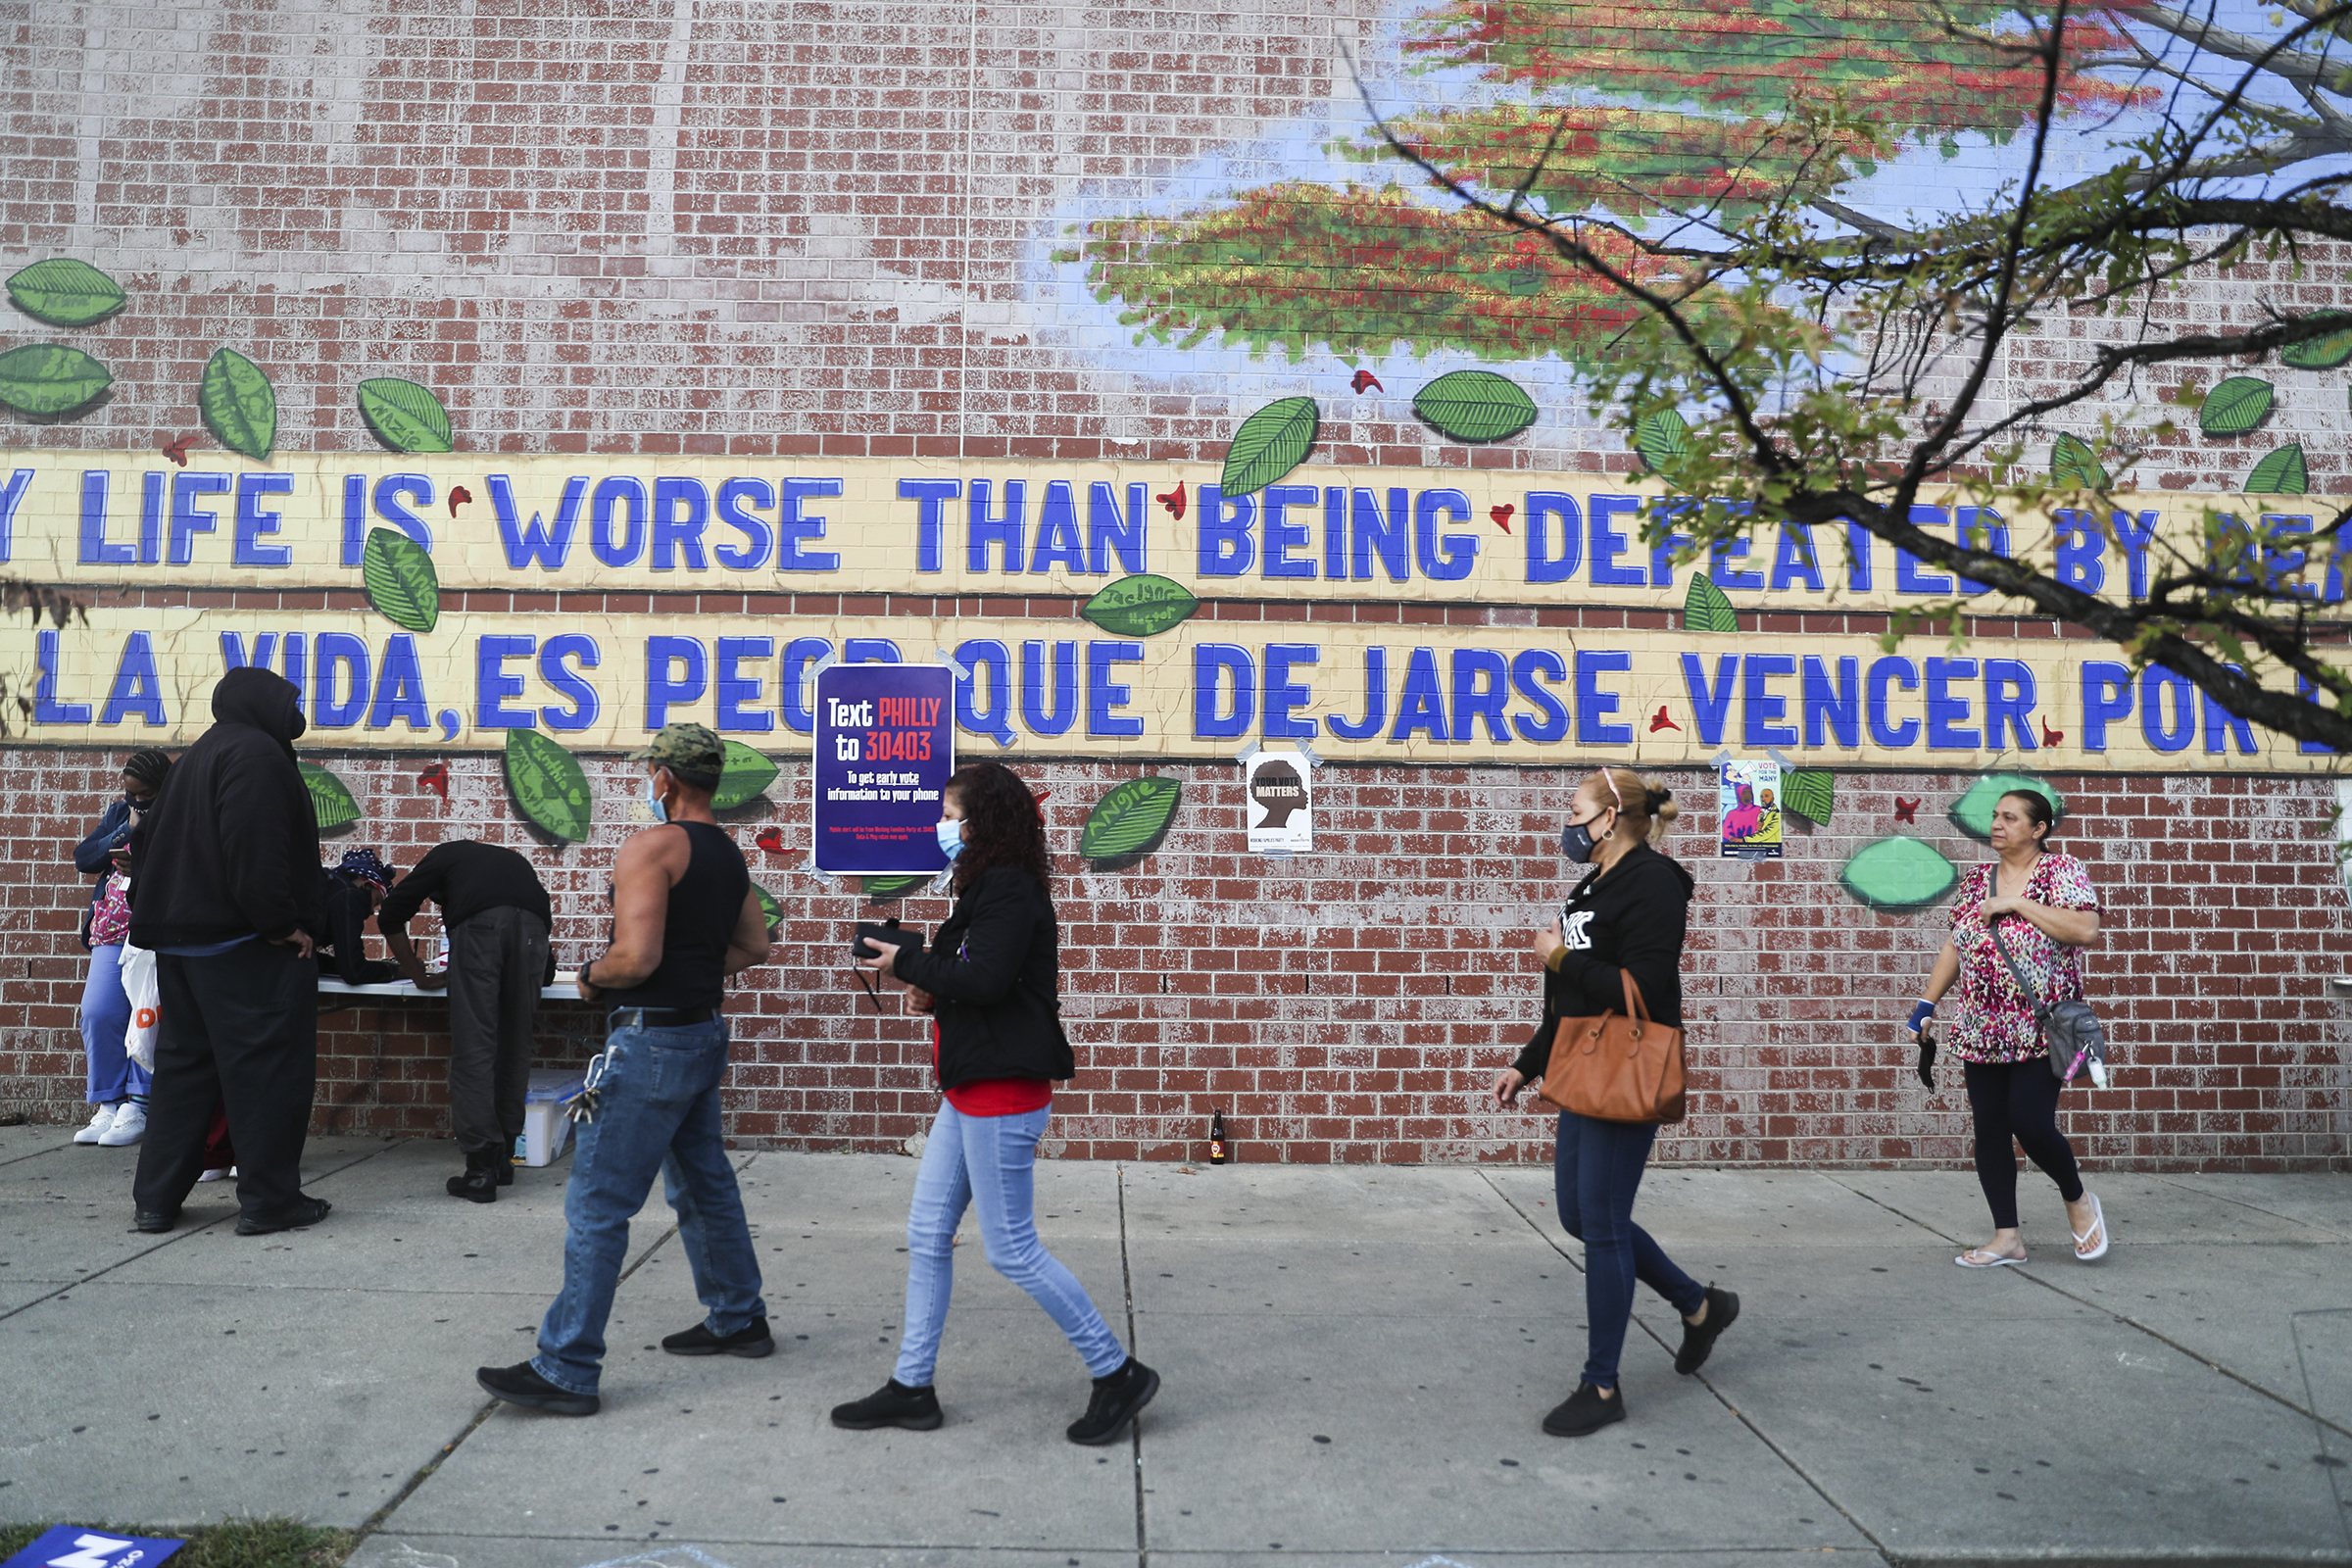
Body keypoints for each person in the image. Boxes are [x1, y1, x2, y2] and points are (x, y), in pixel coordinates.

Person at [835, 760, 1159, 1446]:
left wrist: (905, 967)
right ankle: (912, 1386)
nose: (941, 826)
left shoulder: (1008, 889)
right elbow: (971, 978)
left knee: (1011, 1249)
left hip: (1001, 1091)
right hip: (970, 1086)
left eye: (951, 815)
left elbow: (985, 979)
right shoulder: (984, 887)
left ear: (984, 821)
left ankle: (1116, 1372)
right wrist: (930, 985)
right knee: (928, 1235)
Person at [475, 723, 771, 1417]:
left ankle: (567, 1367)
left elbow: (634, 959)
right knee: (704, 1184)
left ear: (664, 778)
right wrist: (691, 970)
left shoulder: (650, 846)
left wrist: (589, 975)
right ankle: (738, 1317)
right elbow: (753, 945)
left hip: (649, 1043)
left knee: (598, 1205)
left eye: (651, 773)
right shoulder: (726, 855)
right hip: (700, 1033)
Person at [1490, 768, 1737, 1438]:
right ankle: (1698, 1305)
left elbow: (1644, 986)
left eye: (1576, 811)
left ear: (1610, 817)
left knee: (1601, 1225)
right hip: (1580, 1065)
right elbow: (1572, 999)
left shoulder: (1654, 882)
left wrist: (1559, 958)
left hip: (1626, 1069)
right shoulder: (1593, 883)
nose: (1568, 823)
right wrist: (1527, 1062)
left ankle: (1602, 1386)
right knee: (1579, 1214)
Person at [125, 667, 331, 1238]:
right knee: (266, 1073)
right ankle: (269, 1201)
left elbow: (144, 845)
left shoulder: (195, 759)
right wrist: (280, 925)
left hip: (182, 948)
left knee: (185, 1073)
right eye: (291, 701)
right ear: (262, 703)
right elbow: (255, 849)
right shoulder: (259, 756)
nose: (297, 712)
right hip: (243, 948)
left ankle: (156, 1201)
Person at [1909, 788, 2109, 1267]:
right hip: (1981, 1026)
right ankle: (2007, 1238)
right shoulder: (1978, 879)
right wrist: (1926, 1003)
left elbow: (2085, 930)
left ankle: (2078, 1200)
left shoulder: (2062, 871)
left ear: (2038, 829)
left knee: (2031, 1123)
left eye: (2011, 817)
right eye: (1995, 816)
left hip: (2042, 1027)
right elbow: (1956, 945)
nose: (1997, 824)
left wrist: (2016, 905)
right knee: (1991, 1130)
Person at [376, 839, 555, 1202]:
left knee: (475, 1047)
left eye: (439, 903)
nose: (442, 907)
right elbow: (541, 959)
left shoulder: (443, 856)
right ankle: (504, 1160)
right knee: (515, 1045)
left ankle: (479, 1170)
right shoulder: (510, 863)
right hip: (535, 931)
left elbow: (391, 913)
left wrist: (419, 975)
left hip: (481, 933)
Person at [69, 750, 172, 1148]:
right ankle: (108, 1103)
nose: (135, 801)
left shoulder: (179, 811)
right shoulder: (119, 814)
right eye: (129, 793)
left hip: (153, 928)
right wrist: (123, 831)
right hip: (111, 927)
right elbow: (83, 858)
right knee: (99, 1011)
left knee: (146, 1015)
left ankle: (138, 1105)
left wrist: (141, 864)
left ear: (162, 788)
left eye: (143, 794)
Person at [316, 848, 400, 987]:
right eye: (376, 901)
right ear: (367, 886)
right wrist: (399, 971)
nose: (372, 911)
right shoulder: (349, 895)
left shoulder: (331, 888)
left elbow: (322, 961)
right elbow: (354, 972)